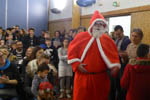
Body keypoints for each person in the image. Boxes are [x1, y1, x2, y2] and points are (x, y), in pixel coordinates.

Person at [67, 10, 120, 100]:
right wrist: (76, 64)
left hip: (101, 79)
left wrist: (115, 67)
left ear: (104, 25)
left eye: (101, 24)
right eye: (96, 23)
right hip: (83, 78)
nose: (98, 26)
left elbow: (114, 56)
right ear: (92, 24)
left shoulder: (108, 40)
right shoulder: (81, 36)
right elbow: (71, 52)